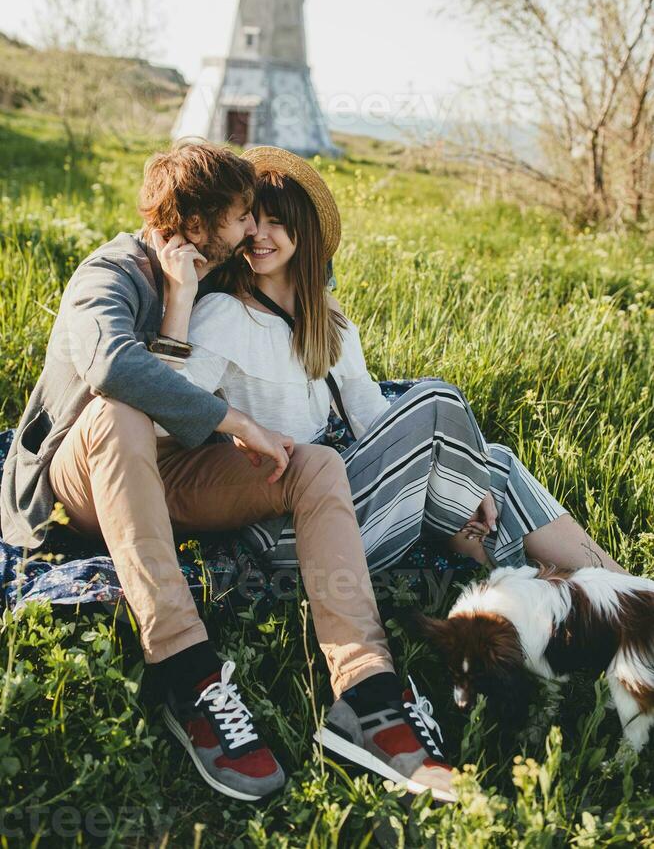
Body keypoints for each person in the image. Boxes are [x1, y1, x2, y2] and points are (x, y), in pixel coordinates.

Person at [0, 141, 457, 804]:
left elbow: (301, 292)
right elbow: (114, 371)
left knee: (315, 464)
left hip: (173, 479)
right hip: (80, 487)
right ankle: (189, 673)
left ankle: (368, 694)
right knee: (120, 413)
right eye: (244, 214)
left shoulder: (216, 272)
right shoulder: (109, 273)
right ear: (200, 218)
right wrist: (239, 424)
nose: (253, 229)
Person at [159, 145, 627, 591]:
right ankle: (537, 589)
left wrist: (469, 469)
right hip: (284, 528)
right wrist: (179, 301)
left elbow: (367, 411)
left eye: (276, 223)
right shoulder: (223, 314)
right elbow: (168, 409)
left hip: (343, 495)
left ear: (304, 233)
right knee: (437, 399)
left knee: (495, 459)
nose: (259, 235)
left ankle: (623, 586)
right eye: (252, 222)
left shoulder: (326, 319)